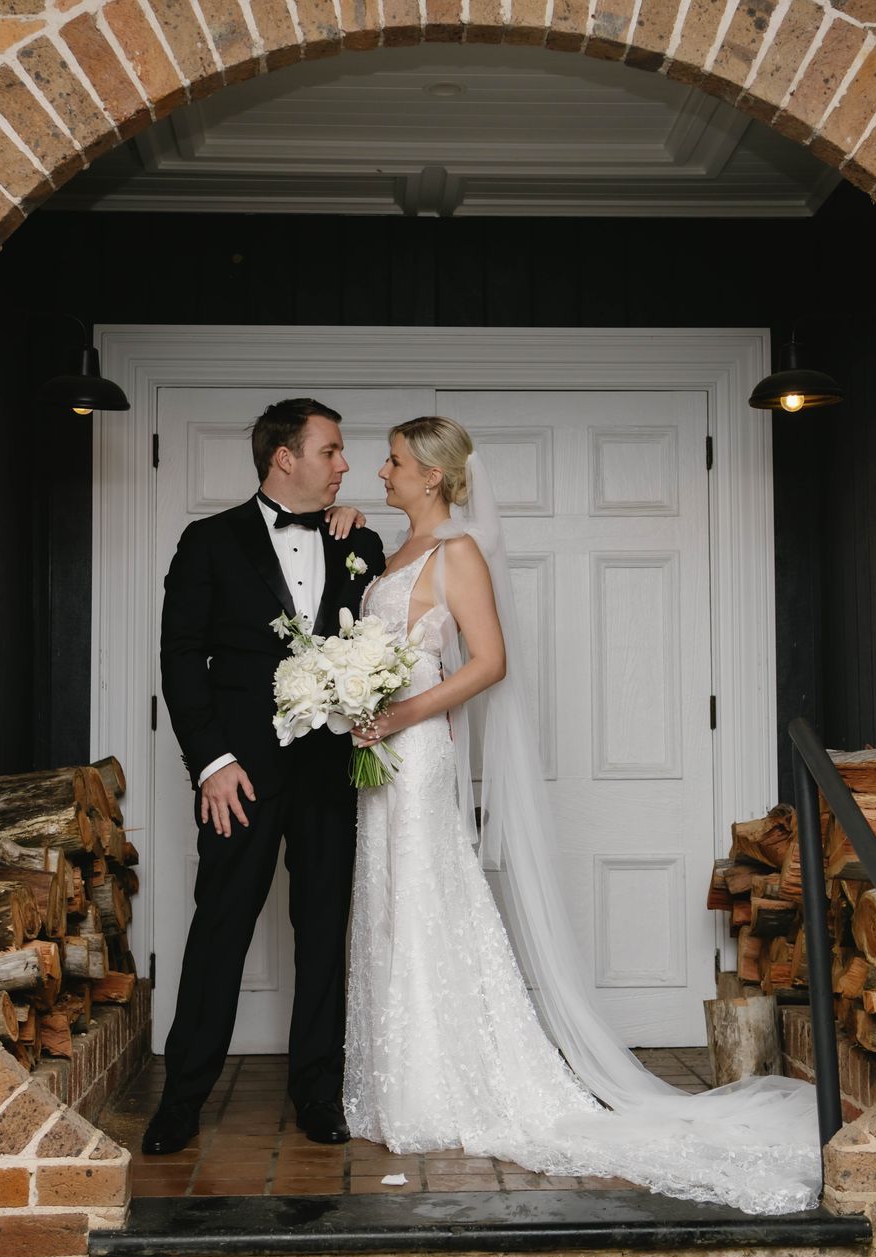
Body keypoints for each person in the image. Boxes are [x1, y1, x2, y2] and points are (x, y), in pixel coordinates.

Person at [344, 416, 820, 1215]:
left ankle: (441, 1091)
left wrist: (405, 713)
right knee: (387, 909)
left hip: (417, 756)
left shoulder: (455, 553)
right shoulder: (387, 556)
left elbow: (491, 664)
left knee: (425, 904)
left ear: (431, 475)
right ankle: (399, 1085)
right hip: (381, 758)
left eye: (392, 462)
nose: (379, 472)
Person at [147, 398, 384, 1156]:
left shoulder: (361, 542)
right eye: (332, 450)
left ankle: (318, 1094)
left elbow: (379, 647)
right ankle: (181, 1099)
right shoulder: (209, 542)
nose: (345, 464)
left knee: (322, 936)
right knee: (220, 928)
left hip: (330, 771)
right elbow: (181, 658)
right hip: (240, 775)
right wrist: (211, 763)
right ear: (285, 456)